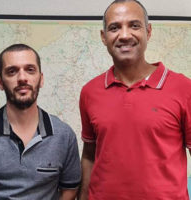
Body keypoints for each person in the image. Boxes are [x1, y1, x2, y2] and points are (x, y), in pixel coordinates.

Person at [79, 0, 191, 199]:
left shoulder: (183, 88)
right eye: (114, 28)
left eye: (134, 25)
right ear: (104, 37)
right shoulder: (90, 92)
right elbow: (89, 154)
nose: (124, 35)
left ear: (148, 32)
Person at [0, 43, 81, 200]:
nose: (22, 78)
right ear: (0, 82)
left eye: (30, 70)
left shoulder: (64, 136)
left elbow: (69, 191)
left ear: (41, 79)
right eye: (12, 71)